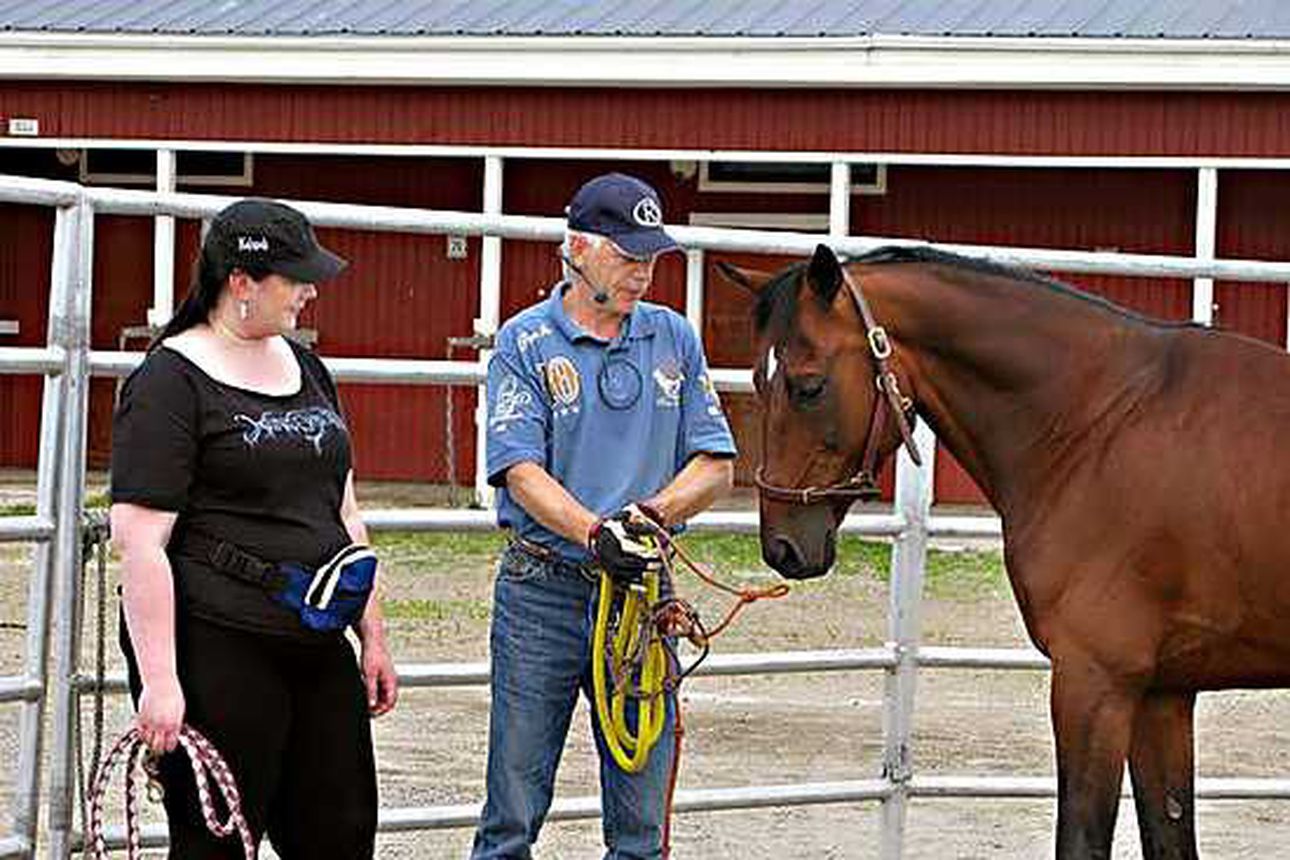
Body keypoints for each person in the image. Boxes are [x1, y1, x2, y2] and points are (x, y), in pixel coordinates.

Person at [109, 198, 398, 859]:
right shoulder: (169, 382)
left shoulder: (308, 370)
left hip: (318, 634)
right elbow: (142, 543)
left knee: (341, 830)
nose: (309, 290)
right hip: (219, 640)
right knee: (218, 841)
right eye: (294, 277)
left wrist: (373, 634)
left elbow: (345, 513)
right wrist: (160, 681)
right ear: (241, 282)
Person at [472, 173, 736, 860]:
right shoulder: (525, 342)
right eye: (627, 257)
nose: (642, 274)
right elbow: (519, 469)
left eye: (650, 259)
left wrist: (646, 517)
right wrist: (594, 531)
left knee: (642, 821)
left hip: (641, 596)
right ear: (579, 248)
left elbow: (715, 464)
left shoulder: (673, 338)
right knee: (513, 811)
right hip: (545, 589)